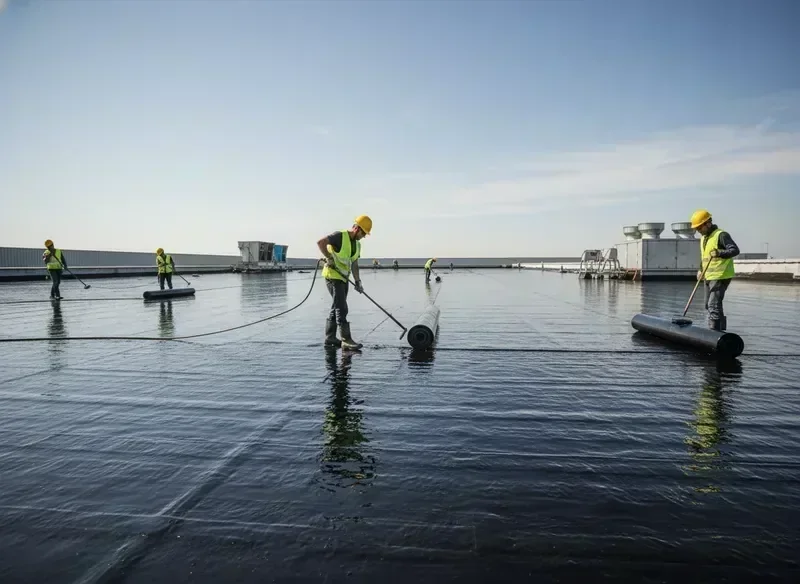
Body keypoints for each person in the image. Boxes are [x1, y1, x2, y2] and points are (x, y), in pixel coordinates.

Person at [317, 215, 372, 350]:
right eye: (363, 233)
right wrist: (329, 258)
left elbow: (354, 263)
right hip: (332, 276)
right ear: (357, 228)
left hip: (343, 278)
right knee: (342, 308)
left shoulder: (357, 245)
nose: (363, 236)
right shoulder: (340, 236)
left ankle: (330, 337)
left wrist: (358, 281)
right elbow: (321, 242)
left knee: (336, 305)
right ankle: (346, 340)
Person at [691, 209, 740, 331]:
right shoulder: (704, 238)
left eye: (699, 228)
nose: (698, 231)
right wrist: (700, 269)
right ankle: (721, 331)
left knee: (713, 305)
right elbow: (705, 257)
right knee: (709, 305)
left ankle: (714, 333)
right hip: (708, 275)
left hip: (721, 275)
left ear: (708, 223)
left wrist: (719, 252)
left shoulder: (721, 235)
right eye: (696, 229)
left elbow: (734, 250)